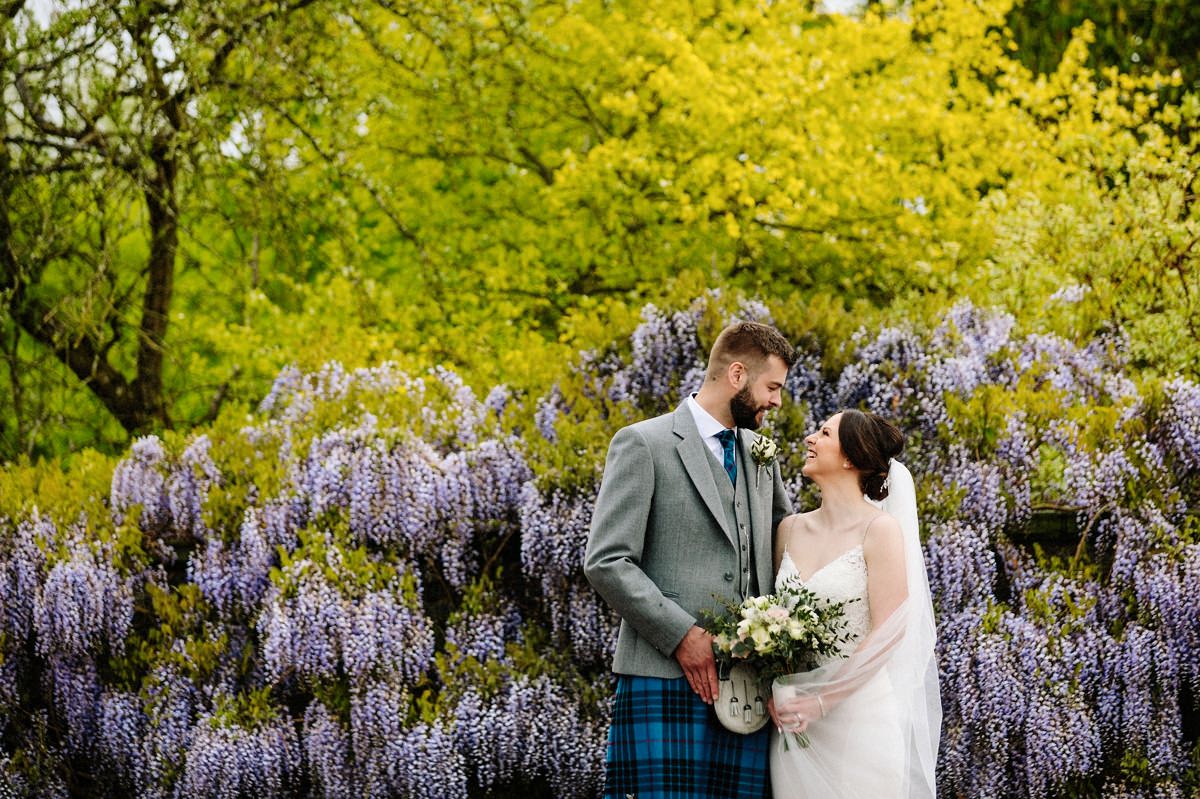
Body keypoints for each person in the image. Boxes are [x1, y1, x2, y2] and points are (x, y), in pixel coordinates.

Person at [584, 321, 797, 799]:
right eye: (772, 387)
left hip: (746, 687)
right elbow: (607, 559)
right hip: (665, 676)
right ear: (737, 374)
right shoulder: (644, 443)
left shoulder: (762, 454)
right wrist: (681, 634)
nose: (776, 402)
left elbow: (786, 547)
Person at [769, 409, 941, 798]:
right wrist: (775, 685)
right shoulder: (789, 529)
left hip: (859, 719)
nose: (810, 438)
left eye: (824, 433)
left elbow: (890, 630)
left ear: (849, 457)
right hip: (795, 722)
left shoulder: (878, 530)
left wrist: (823, 701)